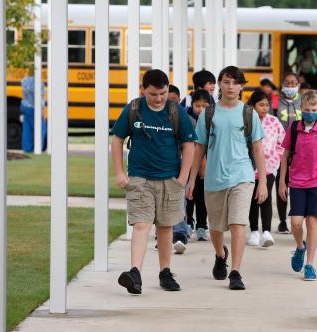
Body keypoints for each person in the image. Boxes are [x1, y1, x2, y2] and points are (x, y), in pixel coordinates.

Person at [111, 69, 197, 294]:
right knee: (141, 225)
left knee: (166, 227)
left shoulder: (175, 111)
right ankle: (135, 273)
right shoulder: (134, 108)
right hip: (140, 177)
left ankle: (165, 272)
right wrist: (120, 172)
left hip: (170, 179)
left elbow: (189, 145)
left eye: (163, 93)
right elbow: (118, 138)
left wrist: (182, 178)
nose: (159, 98)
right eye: (153, 94)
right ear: (143, 90)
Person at [187, 66, 267, 290]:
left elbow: (258, 149)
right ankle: (221, 254)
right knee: (216, 227)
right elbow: (199, 147)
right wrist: (192, 179)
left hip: (242, 175)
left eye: (235, 82)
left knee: (237, 223)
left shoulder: (248, 113)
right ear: (219, 85)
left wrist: (261, 181)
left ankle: (235, 271)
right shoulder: (209, 113)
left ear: (242, 86)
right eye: (226, 82)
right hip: (214, 177)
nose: (231, 86)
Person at [278, 90, 317, 281]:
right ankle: (300, 247)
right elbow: (285, 155)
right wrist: (282, 182)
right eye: (306, 109)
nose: (310, 112)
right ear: (300, 109)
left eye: (314, 109)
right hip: (297, 182)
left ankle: (310, 265)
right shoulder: (294, 129)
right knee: (295, 223)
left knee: (312, 223)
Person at [246, 90, 285, 247]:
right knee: (253, 200)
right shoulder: (246, 121)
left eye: (267, 105)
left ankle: (267, 231)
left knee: (266, 197)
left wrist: (276, 158)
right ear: (253, 105)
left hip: (269, 167)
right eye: (261, 105)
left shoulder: (274, 121)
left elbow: (282, 143)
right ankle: (254, 231)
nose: (264, 108)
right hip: (248, 168)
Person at [275, 72, 303, 234]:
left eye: (293, 83)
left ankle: (296, 217)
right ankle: (282, 220)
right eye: (287, 82)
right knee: (282, 184)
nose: (290, 86)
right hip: (280, 151)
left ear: (298, 84)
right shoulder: (274, 101)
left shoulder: (303, 101)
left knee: (298, 186)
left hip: (300, 150)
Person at [185, 89, 213, 241]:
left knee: (203, 198)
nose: (201, 109)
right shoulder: (187, 119)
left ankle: (202, 226)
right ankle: (188, 222)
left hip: (208, 165)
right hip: (189, 164)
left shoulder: (213, 119)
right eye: (197, 106)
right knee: (189, 196)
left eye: (204, 106)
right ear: (192, 105)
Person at [20, 74, 47, 152]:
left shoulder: (25, 80)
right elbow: (38, 95)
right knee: (41, 128)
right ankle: (38, 148)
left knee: (27, 127)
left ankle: (27, 148)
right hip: (33, 107)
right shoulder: (38, 83)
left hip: (24, 106)